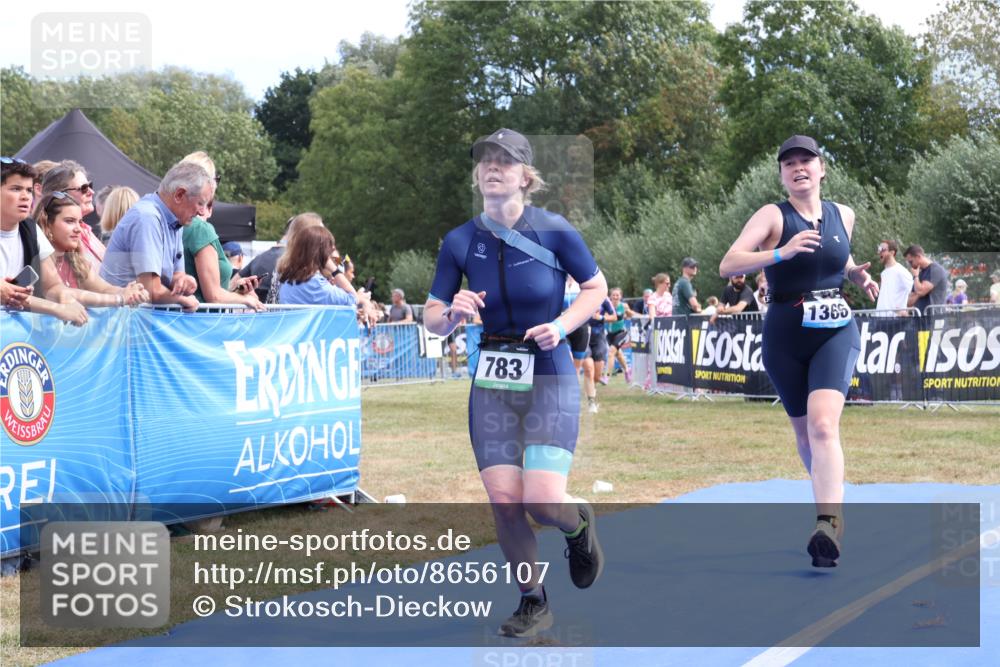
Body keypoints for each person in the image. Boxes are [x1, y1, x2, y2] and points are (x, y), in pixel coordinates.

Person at [423, 129, 607, 638]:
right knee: (505, 502)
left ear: (526, 175)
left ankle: (577, 524)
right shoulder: (460, 240)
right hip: (493, 382)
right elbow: (432, 316)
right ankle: (533, 600)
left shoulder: (555, 231)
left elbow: (596, 287)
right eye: (485, 159)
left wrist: (565, 325)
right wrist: (451, 314)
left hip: (548, 372)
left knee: (542, 503)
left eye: (505, 160)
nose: (492, 167)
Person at [719, 134, 878, 569]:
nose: (798, 167)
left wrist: (855, 275)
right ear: (782, 175)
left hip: (834, 330)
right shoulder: (773, 215)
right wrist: (779, 252)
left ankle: (828, 521)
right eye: (788, 163)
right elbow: (728, 263)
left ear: (822, 168)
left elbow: (835, 259)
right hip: (784, 335)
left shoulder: (843, 215)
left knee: (825, 427)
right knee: (806, 435)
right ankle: (829, 504)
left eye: (806, 160)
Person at [100, 161, 212, 311]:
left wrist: (185, 281)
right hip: (118, 321)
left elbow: (176, 277)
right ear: (179, 195)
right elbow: (150, 291)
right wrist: (182, 299)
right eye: (200, 203)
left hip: (130, 318)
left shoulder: (175, 219)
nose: (203, 212)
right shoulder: (148, 217)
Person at [1, 158, 88, 325]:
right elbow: (9, 294)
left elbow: (53, 286)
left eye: (28, 190)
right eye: (16, 189)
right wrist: (57, 309)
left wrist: (67, 301)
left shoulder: (31, 230)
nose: (26, 196)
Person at [179, 153, 261, 310]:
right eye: (215, 179)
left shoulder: (175, 224)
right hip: (203, 324)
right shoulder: (200, 230)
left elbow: (204, 292)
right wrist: (247, 300)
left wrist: (235, 290)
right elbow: (213, 297)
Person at [35, 191, 148, 306]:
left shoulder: (75, 260)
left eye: (80, 222)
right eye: (70, 221)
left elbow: (104, 289)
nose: (78, 229)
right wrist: (120, 298)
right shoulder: (35, 257)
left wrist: (127, 292)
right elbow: (62, 293)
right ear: (47, 223)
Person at [38, 160, 107, 275]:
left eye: (90, 186)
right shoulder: (57, 239)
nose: (91, 192)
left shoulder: (85, 229)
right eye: (84, 188)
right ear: (60, 195)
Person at [241, 213, 324, 302]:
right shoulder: (301, 266)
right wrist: (335, 271)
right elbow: (338, 298)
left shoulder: (267, 260)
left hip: (273, 312)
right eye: (321, 232)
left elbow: (233, 283)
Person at [277, 225, 357, 306]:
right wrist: (334, 269)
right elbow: (352, 298)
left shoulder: (287, 278)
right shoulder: (315, 283)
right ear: (322, 254)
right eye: (330, 251)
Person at [582, 296, 615, 411]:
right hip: (583, 335)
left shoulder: (604, 299)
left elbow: (614, 317)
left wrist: (600, 317)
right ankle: (591, 402)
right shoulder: (581, 295)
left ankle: (591, 391)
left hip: (598, 337)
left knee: (596, 375)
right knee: (589, 369)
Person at [603, 287, 636, 384]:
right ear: (610, 296)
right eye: (613, 295)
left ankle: (606, 376)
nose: (615, 297)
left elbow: (631, 314)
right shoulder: (607, 306)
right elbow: (604, 317)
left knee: (611, 353)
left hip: (621, 333)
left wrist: (643, 316)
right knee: (618, 354)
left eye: (617, 295)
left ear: (620, 296)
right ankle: (627, 370)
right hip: (610, 334)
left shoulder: (624, 306)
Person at [904, 244, 947, 311]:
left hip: (935, 317)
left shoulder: (935, 270)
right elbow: (909, 301)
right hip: (920, 317)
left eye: (911, 262)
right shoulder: (919, 273)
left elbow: (920, 291)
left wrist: (916, 277)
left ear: (918, 256)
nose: (910, 265)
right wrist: (919, 291)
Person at [875, 239, 913, 315]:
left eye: (882, 249)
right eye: (879, 249)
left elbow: (915, 293)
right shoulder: (884, 273)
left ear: (892, 253)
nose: (879, 252)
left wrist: (905, 311)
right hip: (880, 318)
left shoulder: (901, 271)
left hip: (895, 320)